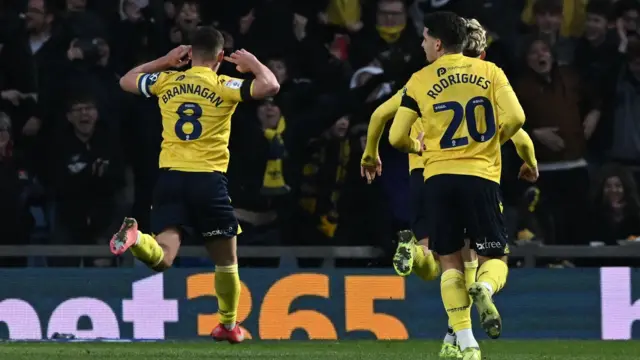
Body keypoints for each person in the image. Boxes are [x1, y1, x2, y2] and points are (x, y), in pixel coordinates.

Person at [361, 17, 538, 359]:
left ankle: (461, 341)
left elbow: (388, 125)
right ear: (479, 51)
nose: (422, 44)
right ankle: (482, 293)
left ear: (439, 43)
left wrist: (381, 153)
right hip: (480, 175)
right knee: (485, 258)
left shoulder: (419, 81)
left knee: (446, 261)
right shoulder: (490, 76)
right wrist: (506, 149)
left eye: (426, 38)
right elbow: (518, 125)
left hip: (432, 177)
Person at [110, 26, 279, 343]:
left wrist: (164, 60)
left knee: (162, 257)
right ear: (219, 56)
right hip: (208, 181)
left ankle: (135, 238)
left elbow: (126, 80)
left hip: (170, 179)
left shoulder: (167, 81)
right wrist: (253, 62)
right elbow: (271, 85)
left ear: (188, 55)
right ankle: (228, 326)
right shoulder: (224, 84)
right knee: (227, 262)